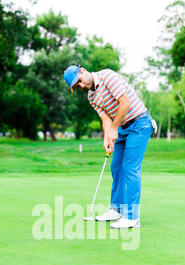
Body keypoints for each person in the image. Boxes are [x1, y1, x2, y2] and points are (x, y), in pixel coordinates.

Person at [64, 65, 156, 229]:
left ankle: (132, 217)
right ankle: (117, 210)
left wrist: (114, 129)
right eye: (77, 86)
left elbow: (125, 103)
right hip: (121, 126)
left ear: (83, 70)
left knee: (130, 168)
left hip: (139, 123)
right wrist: (107, 136)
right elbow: (106, 118)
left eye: (79, 81)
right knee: (116, 167)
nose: (81, 86)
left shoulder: (108, 76)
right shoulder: (92, 97)